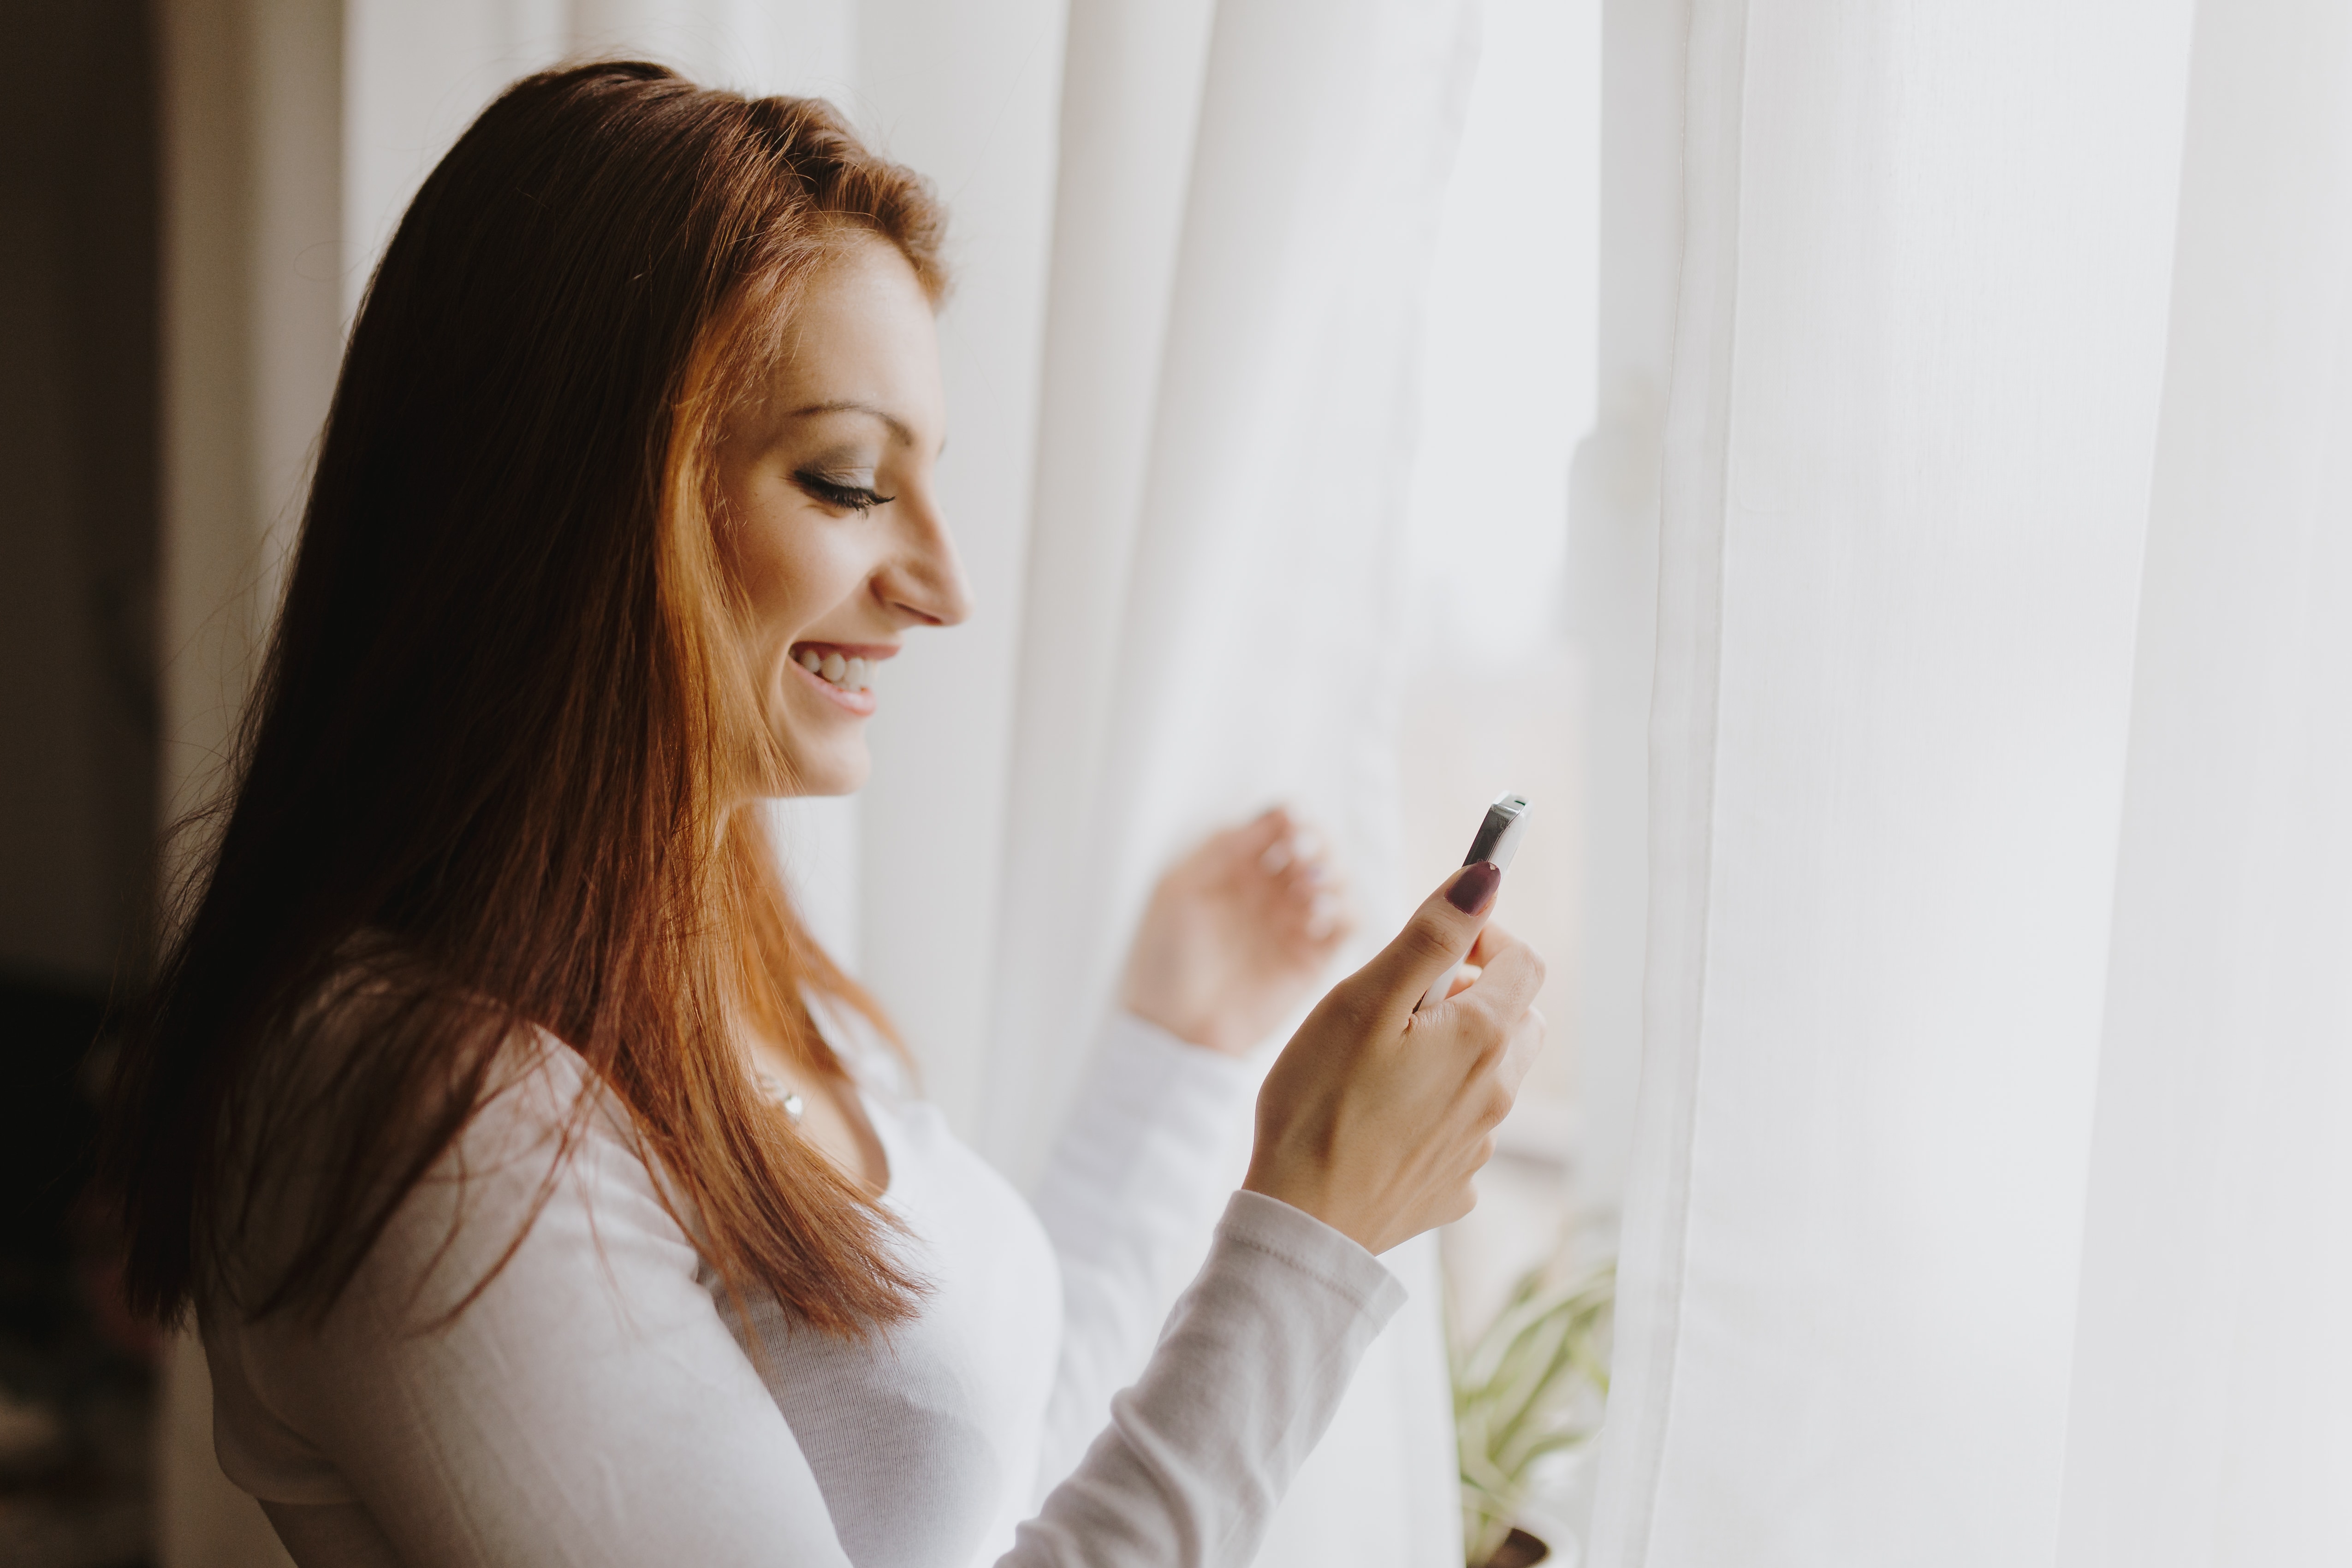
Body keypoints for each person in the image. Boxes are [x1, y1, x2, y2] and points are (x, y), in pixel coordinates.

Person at [102, 62, 1543, 1568]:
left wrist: (1172, 1059)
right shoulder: (416, 1104)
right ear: (581, 499)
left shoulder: (755, 983)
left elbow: (981, 1483)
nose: (943, 586)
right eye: (850, 483)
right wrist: (1313, 1236)